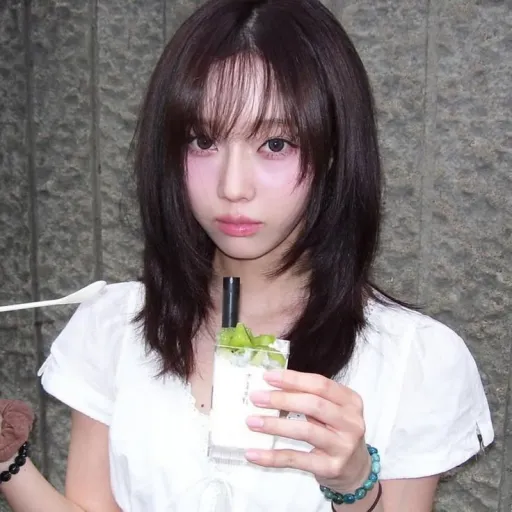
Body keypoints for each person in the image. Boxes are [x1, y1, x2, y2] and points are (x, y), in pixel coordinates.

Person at [0, 0, 494, 510]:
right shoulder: (115, 327)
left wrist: (355, 485)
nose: (233, 187)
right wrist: (7, 460)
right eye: (203, 140)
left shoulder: (415, 360)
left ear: (333, 152)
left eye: (275, 144)